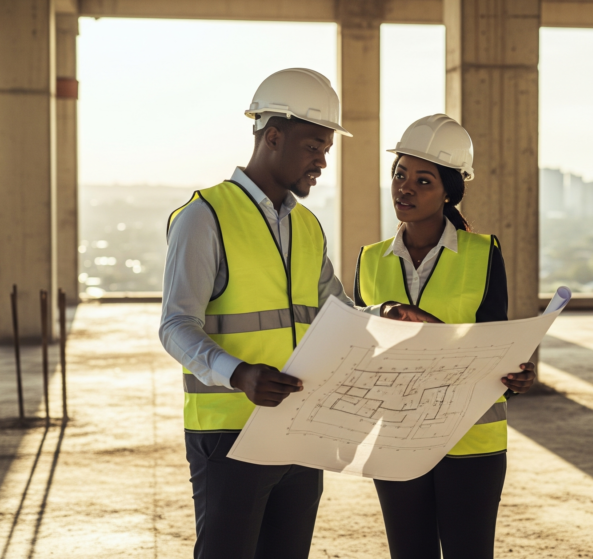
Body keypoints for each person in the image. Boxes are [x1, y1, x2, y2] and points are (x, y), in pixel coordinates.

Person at [159, 68, 436, 559]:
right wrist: (238, 374)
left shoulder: (307, 226)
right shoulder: (205, 217)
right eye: (313, 147)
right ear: (272, 136)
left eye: (326, 150)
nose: (322, 162)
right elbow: (176, 325)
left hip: (301, 431)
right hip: (230, 434)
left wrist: (386, 313)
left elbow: (337, 315)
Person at [353, 114, 537, 559]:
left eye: (423, 180)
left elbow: (497, 341)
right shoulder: (370, 259)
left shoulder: (482, 253)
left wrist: (515, 375)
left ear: (449, 191)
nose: (405, 188)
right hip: (397, 436)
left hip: (470, 440)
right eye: (399, 175)